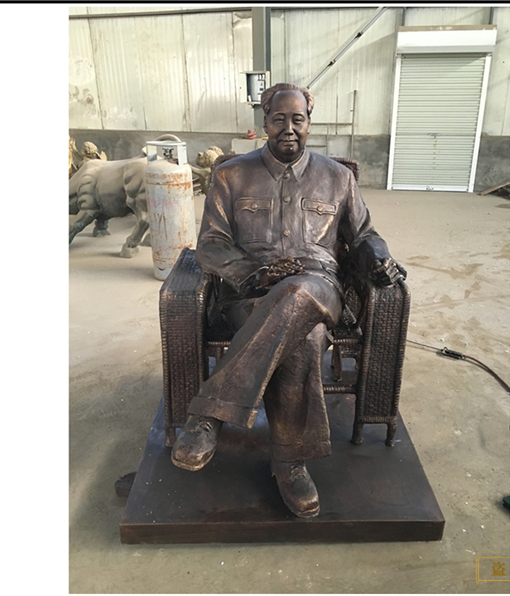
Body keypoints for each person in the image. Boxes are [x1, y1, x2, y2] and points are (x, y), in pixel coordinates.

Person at [171, 83, 405, 518]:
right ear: (265, 123)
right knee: (305, 338)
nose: (289, 128)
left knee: (299, 293)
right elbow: (211, 245)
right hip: (249, 292)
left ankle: (209, 413)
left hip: (319, 286)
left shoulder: (338, 178)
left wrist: (379, 257)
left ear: (309, 123)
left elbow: (364, 235)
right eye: (279, 119)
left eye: (298, 119)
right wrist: (252, 272)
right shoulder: (231, 175)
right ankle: (289, 462)